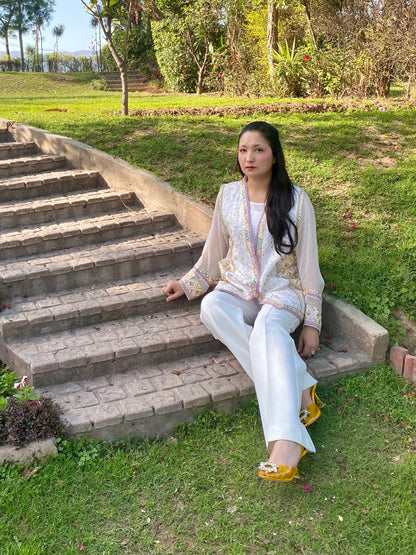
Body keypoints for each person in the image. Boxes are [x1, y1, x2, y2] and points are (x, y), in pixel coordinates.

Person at [162, 121, 324, 482]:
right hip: (237, 288)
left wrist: (312, 323)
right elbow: (215, 250)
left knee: (267, 327)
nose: (249, 157)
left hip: (284, 292)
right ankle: (300, 387)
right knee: (212, 307)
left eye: (258, 150)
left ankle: (286, 441)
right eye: (242, 150)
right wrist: (189, 284)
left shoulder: (297, 201)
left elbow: (309, 266)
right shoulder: (228, 195)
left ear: (275, 156)